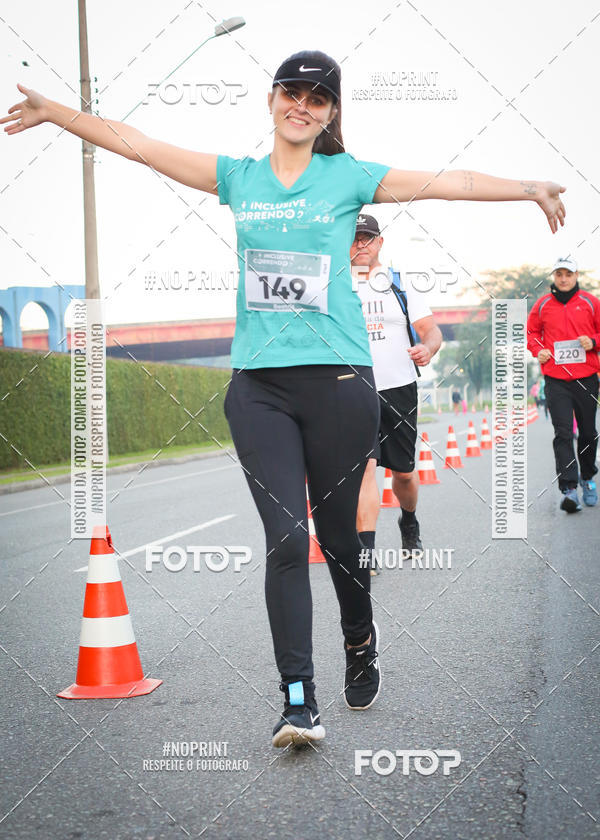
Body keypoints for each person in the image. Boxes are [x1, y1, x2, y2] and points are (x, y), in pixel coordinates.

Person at [2, 50, 568, 749]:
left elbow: (452, 182)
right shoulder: (238, 177)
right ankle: (298, 701)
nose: (302, 105)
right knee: (287, 540)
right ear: (271, 99)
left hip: (339, 383)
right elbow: (138, 143)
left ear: (331, 112)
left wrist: (530, 187)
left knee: (339, 541)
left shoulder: (349, 175)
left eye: (317, 97)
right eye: (291, 92)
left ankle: (359, 638)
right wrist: (56, 113)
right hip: (259, 386)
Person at [351, 214, 442, 574]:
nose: (360, 244)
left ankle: (409, 520)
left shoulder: (400, 284)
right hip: (355, 390)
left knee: (403, 473)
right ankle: (367, 552)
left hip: (400, 387)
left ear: (379, 242)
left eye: (367, 238)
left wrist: (428, 348)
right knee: (364, 470)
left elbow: (431, 330)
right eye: (354, 238)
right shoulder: (337, 286)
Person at [527, 256, 599, 512]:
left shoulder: (590, 302)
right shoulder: (543, 304)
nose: (564, 279)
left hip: (586, 378)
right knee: (563, 433)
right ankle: (569, 489)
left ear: (576, 275)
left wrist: (594, 341)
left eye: (568, 274)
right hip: (556, 379)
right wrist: (538, 350)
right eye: (559, 274)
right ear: (554, 277)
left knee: (588, 433)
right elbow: (532, 333)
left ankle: (587, 478)